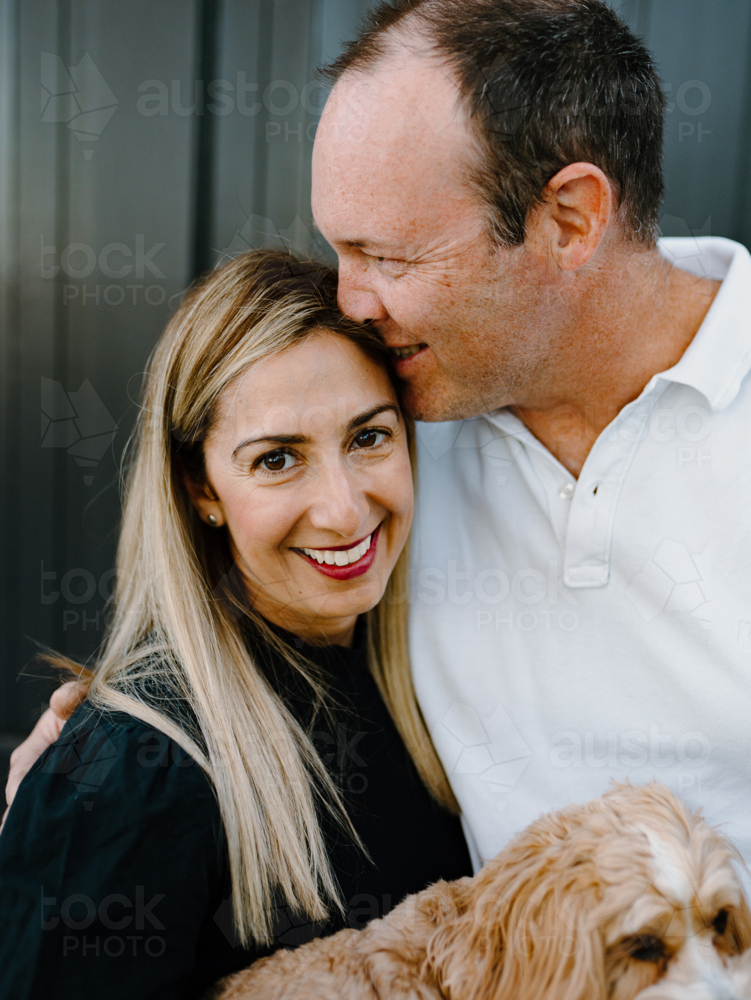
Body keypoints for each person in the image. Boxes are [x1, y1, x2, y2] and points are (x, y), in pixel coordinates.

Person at [9, 0, 751, 899]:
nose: (350, 301)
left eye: (387, 257)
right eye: (338, 249)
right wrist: (88, 786)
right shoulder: (386, 423)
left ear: (569, 219)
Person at [0, 250, 471, 999]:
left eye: (368, 437)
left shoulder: (428, 682)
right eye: (279, 458)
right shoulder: (129, 768)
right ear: (200, 487)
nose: (345, 510)